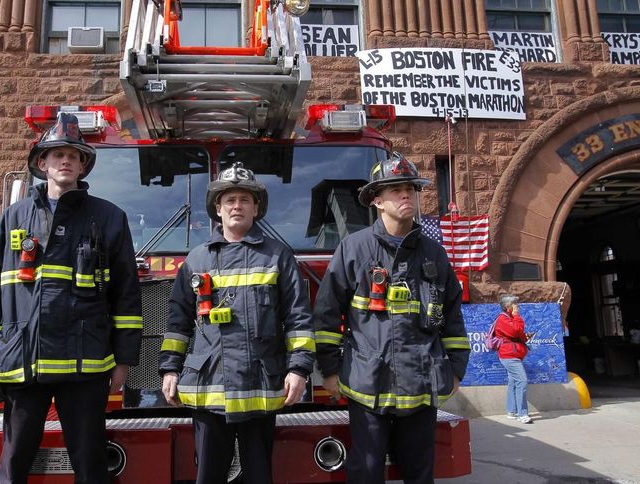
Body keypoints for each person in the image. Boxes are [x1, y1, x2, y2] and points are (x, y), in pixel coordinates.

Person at [0, 112, 143, 483]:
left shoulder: (110, 219)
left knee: (91, 463)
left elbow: (126, 296)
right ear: (42, 163)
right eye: (57, 154)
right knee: (13, 461)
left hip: (85, 366)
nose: (66, 160)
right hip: (24, 362)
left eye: (74, 155)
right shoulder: (13, 218)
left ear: (83, 166)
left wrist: (125, 361)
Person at [314, 153, 471, 484]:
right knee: (366, 472)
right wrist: (329, 370)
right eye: (396, 190)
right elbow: (327, 314)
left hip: (421, 384)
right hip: (367, 385)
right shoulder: (353, 250)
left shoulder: (434, 253)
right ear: (377, 201)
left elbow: (453, 316)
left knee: (420, 474)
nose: (406, 195)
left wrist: (456, 369)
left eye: (410, 189)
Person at [159, 162, 315, 484]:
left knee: (259, 477)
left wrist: (299, 369)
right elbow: (177, 322)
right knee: (209, 477)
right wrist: (170, 369)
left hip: (259, 387)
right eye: (229, 200)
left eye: (245, 199)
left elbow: (298, 317)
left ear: (256, 208)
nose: (237, 206)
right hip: (208, 389)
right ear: (218, 208)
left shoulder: (278, 256)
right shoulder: (196, 260)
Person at [495, 294, 533, 424]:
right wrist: (517, 316)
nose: (518, 306)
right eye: (515, 304)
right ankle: (522, 414)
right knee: (522, 381)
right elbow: (515, 330)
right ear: (508, 307)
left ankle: (511, 411)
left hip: (514, 355)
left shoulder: (510, 318)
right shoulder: (503, 319)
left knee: (514, 382)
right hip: (509, 356)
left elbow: (518, 334)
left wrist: (526, 337)